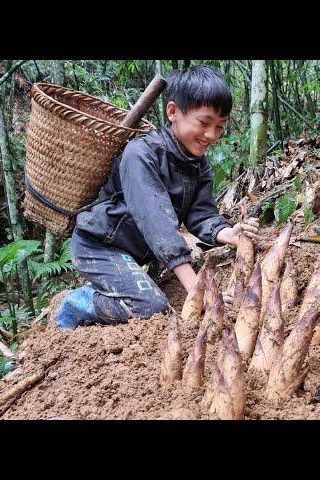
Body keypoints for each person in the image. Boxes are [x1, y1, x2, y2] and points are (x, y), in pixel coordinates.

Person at [53, 65, 260, 329]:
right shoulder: (141, 155)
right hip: (99, 246)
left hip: (131, 252)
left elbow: (202, 214)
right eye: (204, 123)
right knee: (151, 307)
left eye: (220, 126)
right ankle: (78, 301)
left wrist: (226, 233)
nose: (212, 135)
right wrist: (198, 290)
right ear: (173, 112)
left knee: (147, 299)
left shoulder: (198, 164)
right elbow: (157, 225)